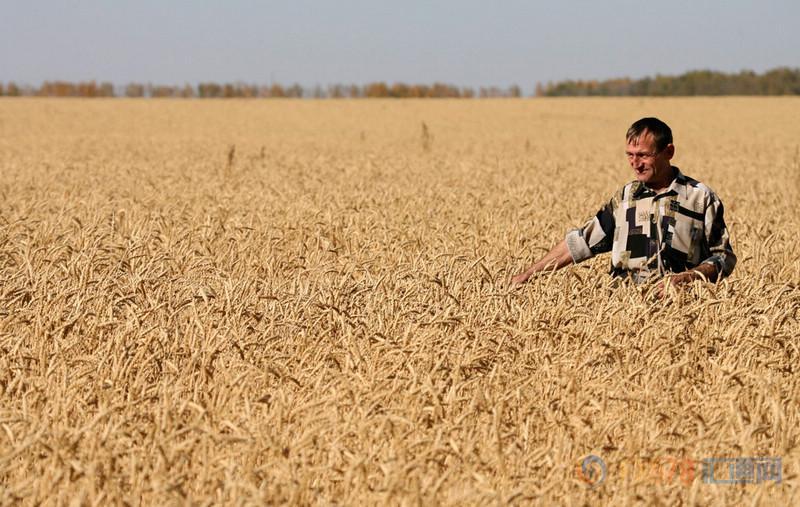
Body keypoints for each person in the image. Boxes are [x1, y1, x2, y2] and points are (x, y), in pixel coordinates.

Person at [511, 117, 736, 292]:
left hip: (683, 313)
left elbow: (723, 257)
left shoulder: (700, 198)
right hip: (624, 315)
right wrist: (525, 276)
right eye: (630, 155)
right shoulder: (625, 198)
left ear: (669, 152)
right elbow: (581, 242)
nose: (635, 164)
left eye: (643, 156)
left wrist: (688, 278)